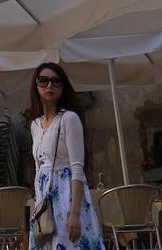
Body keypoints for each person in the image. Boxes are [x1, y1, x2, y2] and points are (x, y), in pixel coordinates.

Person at [27, 63, 104, 250]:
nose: (49, 86)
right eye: (43, 81)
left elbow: (77, 168)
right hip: (45, 205)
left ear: (63, 86)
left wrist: (75, 214)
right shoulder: (35, 125)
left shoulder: (69, 118)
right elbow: (38, 169)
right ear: (36, 86)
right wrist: (38, 208)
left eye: (56, 81)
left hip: (67, 197)